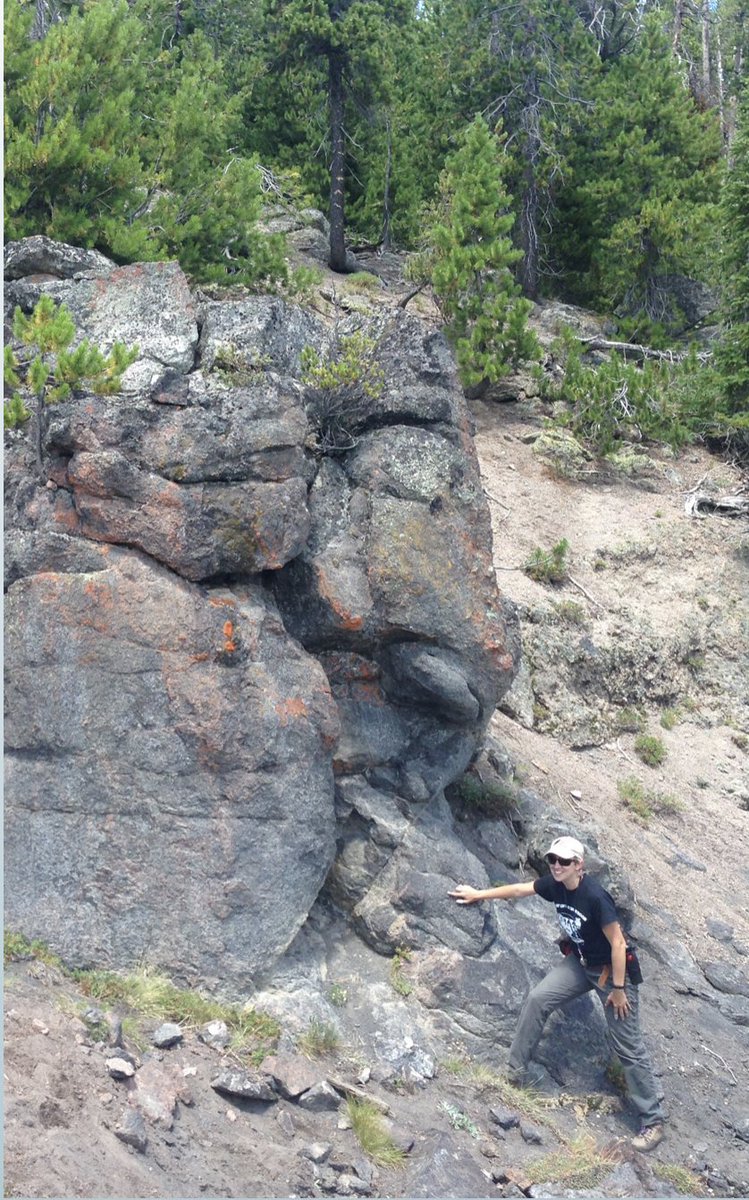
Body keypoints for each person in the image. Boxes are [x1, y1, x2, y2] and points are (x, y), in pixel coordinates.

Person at [449, 835, 666, 1152]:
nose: (556, 865)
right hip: (580, 964)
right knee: (538, 999)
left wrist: (619, 989)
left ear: (580, 865)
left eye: (564, 861)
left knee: (627, 1045)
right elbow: (521, 889)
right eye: (553, 859)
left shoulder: (595, 897)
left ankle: (653, 1120)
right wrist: (479, 894)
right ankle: (513, 1074)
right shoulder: (555, 885)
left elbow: (619, 944)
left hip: (612, 974)